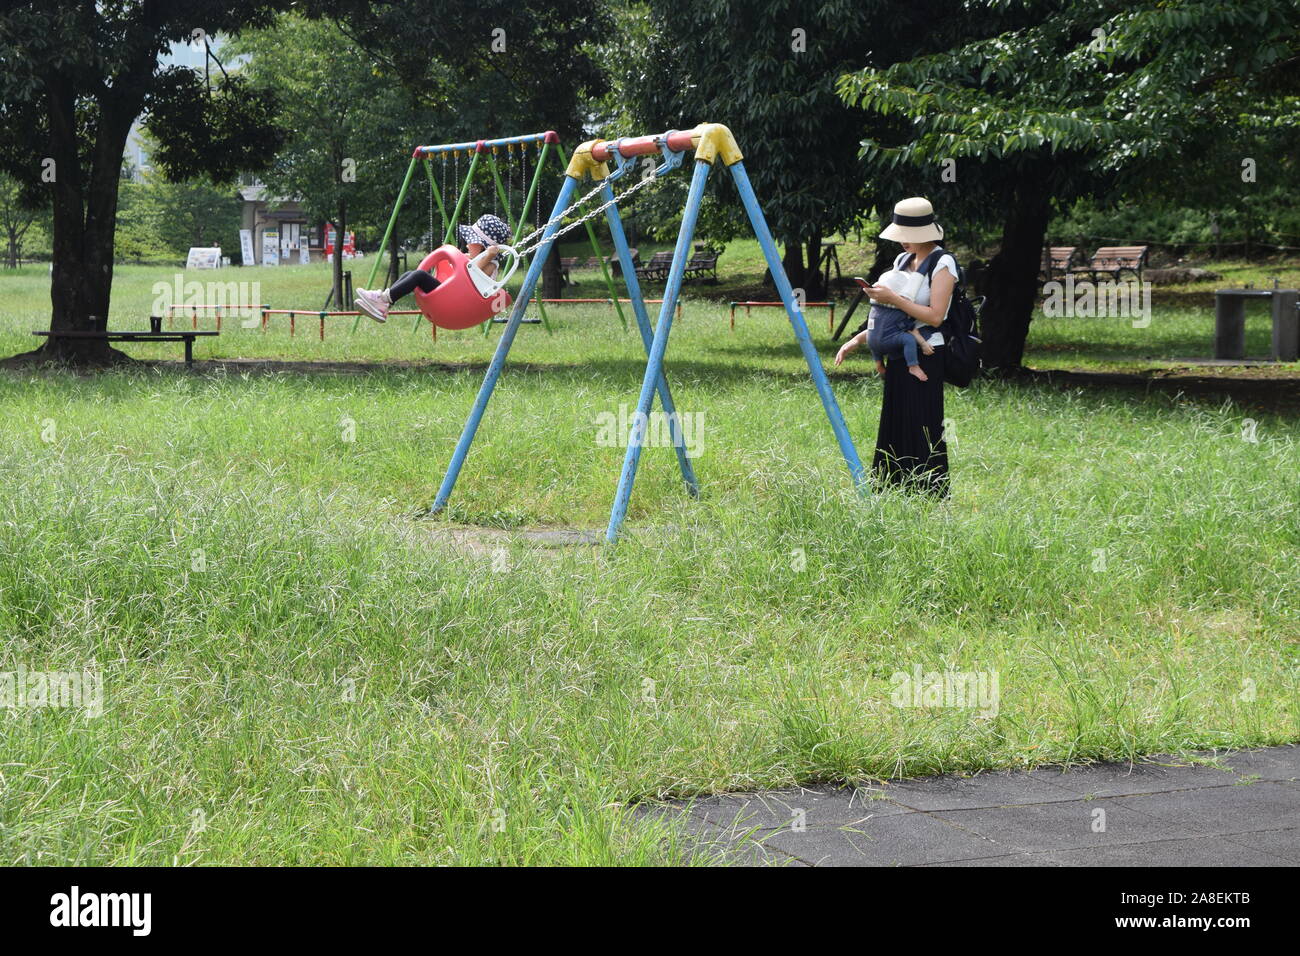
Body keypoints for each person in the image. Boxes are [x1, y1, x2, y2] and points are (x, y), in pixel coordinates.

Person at [834, 197, 957, 496]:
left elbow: (936, 316)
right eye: (899, 235)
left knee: (923, 423)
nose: (902, 241)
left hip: (927, 353)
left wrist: (895, 299)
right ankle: (891, 487)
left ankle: (929, 492)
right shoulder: (902, 261)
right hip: (898, 353)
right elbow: (888, 316)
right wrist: (857, 339)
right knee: (895, 420)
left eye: (908, 236)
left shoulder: (943, 263)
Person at [354, 214, 511, 322]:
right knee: (412, 274)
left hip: (457, 301)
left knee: (419, 276)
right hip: (451, 294)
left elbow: (471, 275)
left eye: (472, 241)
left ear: (484, 247)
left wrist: (488, 256)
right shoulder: (476, 259)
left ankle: (383, 300)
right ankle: (384, 303)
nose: (468, 243)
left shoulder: (489, 264)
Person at [863, 266, 933, 380]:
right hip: (887, 342)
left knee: (874, 337)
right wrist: (923, 344)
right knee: (908, 339)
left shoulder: (875, 307)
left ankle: (878, 362)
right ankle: (913, 366)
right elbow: (909, 328)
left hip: (871, 341)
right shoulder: (899, 310)